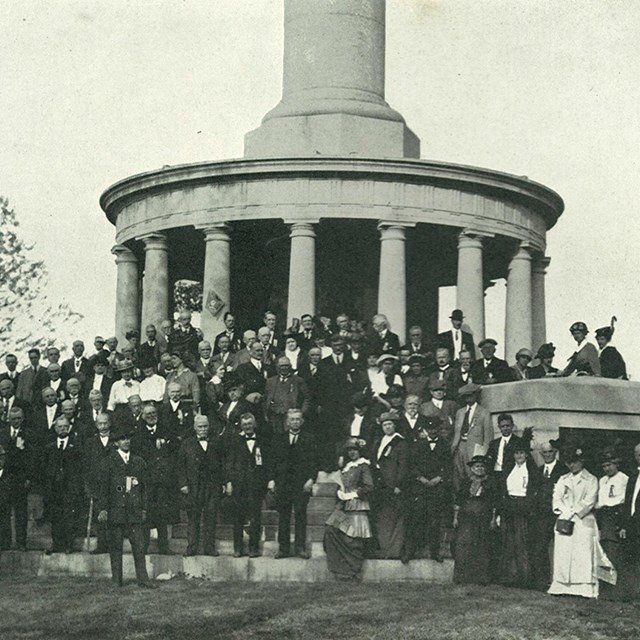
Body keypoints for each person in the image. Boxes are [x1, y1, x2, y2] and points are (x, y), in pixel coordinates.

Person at [548, 445, 615, 598]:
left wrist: (574, 512)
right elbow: (556, 499)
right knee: (563, 553)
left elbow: (589, 501)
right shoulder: (563, 479)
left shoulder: (591, 479)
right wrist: (566, 512)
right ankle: (561, 585)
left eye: (575, 462)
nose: (571, 465)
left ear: (581, 461)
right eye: (569, 462)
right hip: (565, 520)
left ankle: (584, 588)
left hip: (583, 521)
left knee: (582, 554)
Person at [96, 422, 156, 588]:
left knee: (139, 546)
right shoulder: (108, 462)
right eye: (122, 439)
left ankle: (143, 579)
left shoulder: (138, 462)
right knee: (115, 547)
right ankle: (117, 580)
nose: (126, 442)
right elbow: (103, 489)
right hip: (116, 512)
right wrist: (103, 509)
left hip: (134, 512)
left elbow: (144, 488)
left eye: (128, 438)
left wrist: (144, 508)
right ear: (116, 443)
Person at [131, 404, 179, 555]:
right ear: (143, 416)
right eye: (148, 414)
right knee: (146, 515)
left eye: (153, 413)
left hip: (163, 481)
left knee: (162, 515)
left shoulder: (166, 430)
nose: (151, 416)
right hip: (147, 481)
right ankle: (143, 547)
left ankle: (164, 547)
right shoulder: (138, 434)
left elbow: (174, 452)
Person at [270, 409, 318, 559]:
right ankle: (283, 549)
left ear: (302, 421)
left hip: (301, 484)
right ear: (287, 422)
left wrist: (311, 479)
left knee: (300, 515)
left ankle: (300, 548)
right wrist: (271, 480)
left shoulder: (309, 438)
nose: (295, 422)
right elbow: (273, 461)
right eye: (292, 419)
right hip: (283, 484)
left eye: (298, 419)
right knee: (283, 517)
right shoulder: (279, 439)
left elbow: (314, 462)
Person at [402, 417, 450, 563]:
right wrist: (420, 478)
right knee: (416, 519)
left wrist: (439, 478)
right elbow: (411, 465)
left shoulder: (444, 444)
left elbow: (448, 465)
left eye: (435, 428)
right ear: (426, 430)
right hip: (420, 488)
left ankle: (434, 552)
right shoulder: (417, 445)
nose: (433, 431)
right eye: (430, 429)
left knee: (434, 521)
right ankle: (410, 552)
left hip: (437, 488)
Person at [324, 439, 374, 581]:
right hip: (344, 505)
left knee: (353, 539)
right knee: (331, 530)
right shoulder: (346, 467)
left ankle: (352, 572)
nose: (352, 452)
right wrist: (340, 493)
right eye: (349, 450)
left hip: (357, 505)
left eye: (355, 450)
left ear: (359, 451)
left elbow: (369, 486)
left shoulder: (363, 466)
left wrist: (353, 494)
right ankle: (340, 569)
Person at [177, 415, 224, 557]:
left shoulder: (216, 442)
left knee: (210, 516)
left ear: (209, 427)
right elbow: (180, 466)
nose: (203, 429)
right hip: (193, 486)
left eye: (205, 426)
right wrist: (183, 484)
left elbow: (222, 463)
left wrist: (222, 482)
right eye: (200, 427)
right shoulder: (187, 443)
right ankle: (192, 547)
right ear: (194, 427)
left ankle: (209, 547)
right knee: (193, 518)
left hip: (212, 486)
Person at [497, 440, 539, 588]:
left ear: (526, 454)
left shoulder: (532, 470)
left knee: (522, 543)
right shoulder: (509, 468)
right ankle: (509, 577)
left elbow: (533, 492)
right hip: (509, 506)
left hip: (523, 508)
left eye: (521, 453)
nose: (519, 455)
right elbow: (503, 490)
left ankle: (525, 579)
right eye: (516, 453)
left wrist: (527, 508)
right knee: (507, 543)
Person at [226, 413, 269, 558]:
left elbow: (267, 463)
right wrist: (229, 482)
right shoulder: (234, 441)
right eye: (244, 425)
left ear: (254, 424)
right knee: (238, 518)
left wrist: (267, 480)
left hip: (256, 485)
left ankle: (253, 548)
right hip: (239, 485)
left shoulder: (262, 440)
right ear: (241, 426)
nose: (247, 427)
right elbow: (229, 464)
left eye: (250, 424)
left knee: (255, 518)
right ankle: (237, 548)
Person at [452, 454, 497, 585]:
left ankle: (481, 578)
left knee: (482, 546)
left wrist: (493, 519)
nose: (479, 469)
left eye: (482, 466)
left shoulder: (490, 482)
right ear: (472, 468)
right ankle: (462, 577)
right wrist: (456, 517)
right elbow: (459, 500)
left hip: (483, 516)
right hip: (466, 517)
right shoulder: (466, 482)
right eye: (477, 466)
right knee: (464, 546)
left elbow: (494, 503)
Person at [43, 416, 83, 554]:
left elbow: (79, 468)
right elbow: (45, 467)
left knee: (69, 516)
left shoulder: (76, 446)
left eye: (65, 426)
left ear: (69, 428)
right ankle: (57, 544)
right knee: (56, 516)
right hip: (54, 487)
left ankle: (68, 544)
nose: (63, 429)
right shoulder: (49, 447)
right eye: (60, 427)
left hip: (70, 487)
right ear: (55, 429)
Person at [371, 412, 409, 559]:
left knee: (394, 517)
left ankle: (394, 550)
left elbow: (403, 466)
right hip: (380, 486)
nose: (387, 427)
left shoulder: (400, 442)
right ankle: (384, 548)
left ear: (395, 425)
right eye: (384, 425)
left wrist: (399, 484)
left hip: (393, 486)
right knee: (383, 518)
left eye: (390, 424)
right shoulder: (379, 441)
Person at [531, 439, 564, 591]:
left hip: (558, 514)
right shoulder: (538, 470)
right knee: (540, 548)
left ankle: (559, 581)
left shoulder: (563, 469)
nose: (548, 455)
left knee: (560, 548)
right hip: (542, 515)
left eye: (550, 451)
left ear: (555, 452)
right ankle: (542, 581)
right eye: (545, 452)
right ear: (541, 454)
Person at [0, 408, 33, 550]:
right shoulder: (2, 434)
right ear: (9, 419)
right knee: (3, 511)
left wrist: (28, 478)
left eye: (19, 418)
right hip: (5, 478)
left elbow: (33, 458)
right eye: (14, 419)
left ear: (23, 418)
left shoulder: (29, 434)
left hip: (21, 478)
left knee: (20, 512)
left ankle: (21, 542)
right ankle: (4, 542)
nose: (17, 421)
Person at [451, 383, 493, 491]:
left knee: (474, 474)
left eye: (470, 395)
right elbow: (456, 432)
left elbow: (488, 435)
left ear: (476, 396)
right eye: (465, 396)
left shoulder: (484, 412)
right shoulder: (460, 412)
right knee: (459, 473)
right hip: (460, 446)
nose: (468, 398)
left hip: (475, 448)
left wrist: (484, 454)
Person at [82, 412, 113, 554]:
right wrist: (89, 486)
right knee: (100, 516)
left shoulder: (116, 440)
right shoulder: (90, 443)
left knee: (115, 515)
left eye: (105, 423)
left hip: (114, 484)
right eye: (100, 424)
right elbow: (86, 466)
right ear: (96, 425)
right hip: (98, 485)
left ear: (110, 423)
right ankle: (102, 545)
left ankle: (115, 545)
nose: (103, 426)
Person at [595, 448, 628, 574]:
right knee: (604, 549)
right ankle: (605, 583)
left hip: (616, 515)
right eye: (604, 466)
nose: (607, 469)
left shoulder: (623, 478)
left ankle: (616, 584)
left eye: (609, 465)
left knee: (614, 549)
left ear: (616, 464)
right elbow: (601, 501)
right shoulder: (602, 480)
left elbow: (624, 501)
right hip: (603, 515)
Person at [264, 356, 310, 434]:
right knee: (276, 437)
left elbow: (307, 398)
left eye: (286, 365)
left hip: (291, 416)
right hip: (275, 416)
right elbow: (266, 398)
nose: (284, 368)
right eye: (282, 366)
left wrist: (301, 413)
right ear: (277, 367)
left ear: (290, 367)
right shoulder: (270, 381)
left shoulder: (298, 380)